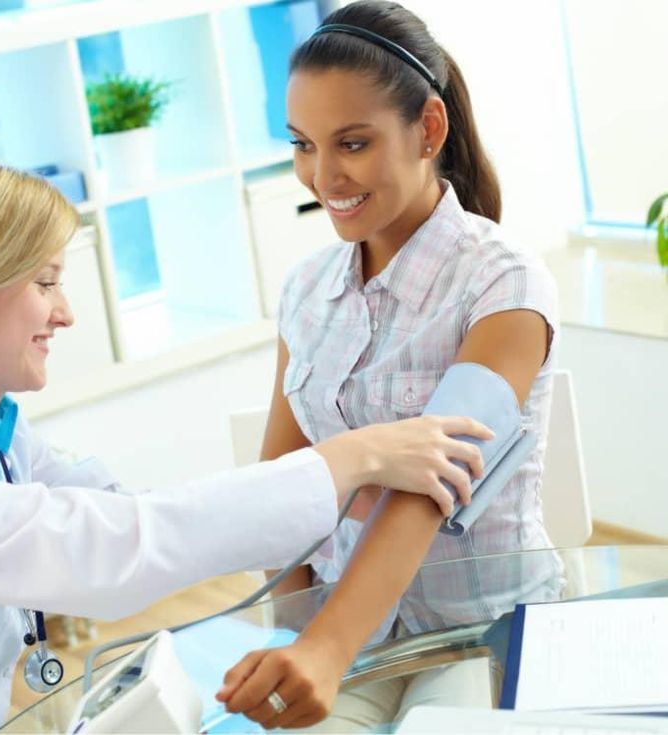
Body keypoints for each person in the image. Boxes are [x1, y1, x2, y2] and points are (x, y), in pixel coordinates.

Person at [0, 149, 491, 733]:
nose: (64, 314)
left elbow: (127, 511)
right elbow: (109, 550)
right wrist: (349, 457)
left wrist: (330, 487)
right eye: (45, 282)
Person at [216, 1, 562, 730]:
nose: (323, 174)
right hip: (354, 638)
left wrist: (322, 649)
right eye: (303, 144)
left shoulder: (504, 283)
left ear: (428, 128)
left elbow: (430, 482)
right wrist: (291, 643)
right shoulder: (306, 292)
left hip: (485, 633)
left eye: (352, 143)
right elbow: (288, 487)